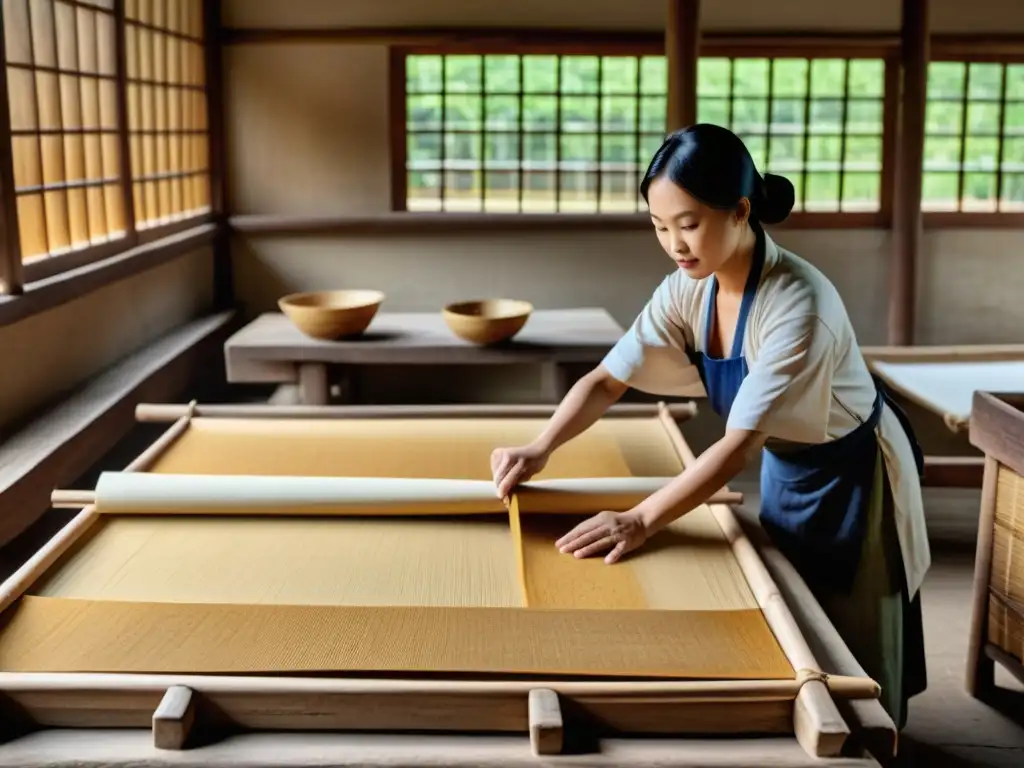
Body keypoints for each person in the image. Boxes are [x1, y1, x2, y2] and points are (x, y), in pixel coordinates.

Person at [490, 123, 929, 729]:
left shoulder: (797, 304)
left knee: (853, 617)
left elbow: (735, 448)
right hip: (789, 458)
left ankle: (873, 738)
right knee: (791, 602)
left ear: (741, 210)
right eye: (659, 226)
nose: (674, 243)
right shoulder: (686, 290)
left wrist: (641, 518)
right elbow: (607, 379)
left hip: (851, 468)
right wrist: (541, 447)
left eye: (688, 223)